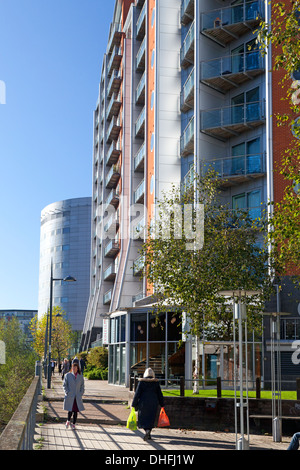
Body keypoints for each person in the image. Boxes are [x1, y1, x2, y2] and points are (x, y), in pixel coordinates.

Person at [131, 367, 164, 441]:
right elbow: (160, 394)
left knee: (143, 418)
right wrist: (162, 404)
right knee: (151, 418)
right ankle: (149, 433)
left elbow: (137, 394)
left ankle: (146, 431)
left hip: (143, 403)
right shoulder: (155, 383)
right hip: (153, 403)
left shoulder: (141, 382)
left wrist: (133, 404)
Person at [63, 359, 85, 430]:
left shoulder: (80, 376)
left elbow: (82, 386)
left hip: (77, 396)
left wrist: (81, 393)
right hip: (70, 395)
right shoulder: (68, 375)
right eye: (73, 367)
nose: (74, 369)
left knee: (75, 411)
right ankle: (68, 421)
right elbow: (64, 385)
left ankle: (74, 424)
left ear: (78, 368)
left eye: (75, 367)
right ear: (71, 368)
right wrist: (67, 392)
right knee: (70, 410)